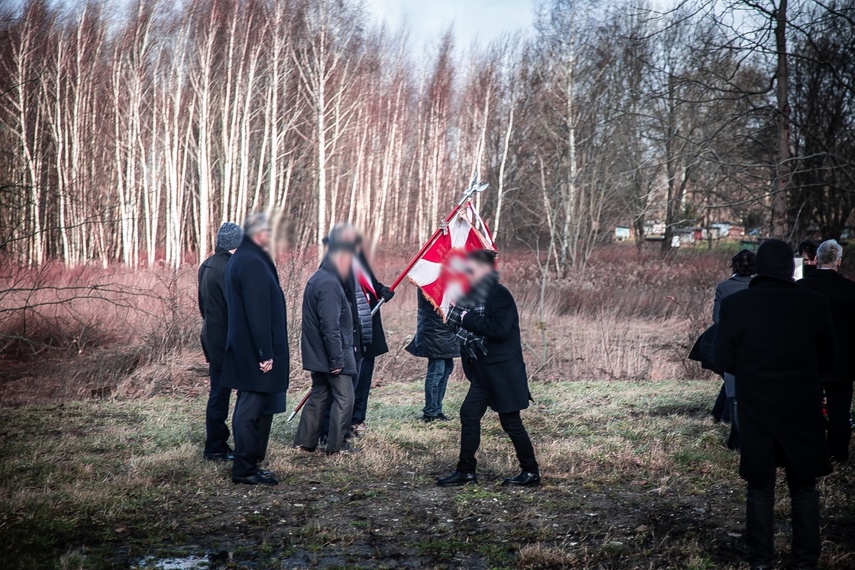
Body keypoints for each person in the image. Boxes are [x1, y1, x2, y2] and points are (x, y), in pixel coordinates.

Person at [713, 239, 836, 570]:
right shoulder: (815, 303)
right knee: (804, 487)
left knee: (759, 487)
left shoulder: (737, 305)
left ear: (760, 267)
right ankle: (806, 561)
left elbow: (722, 356)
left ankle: (761, 562)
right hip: (802, 405)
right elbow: (829, 358)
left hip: (756, 405)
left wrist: (752, 371)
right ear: (790, 268)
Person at [438, 249, 539, 487]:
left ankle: (531, 472)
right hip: (484, 371)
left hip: (503, 372)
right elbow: (457, 322)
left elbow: (499, 329)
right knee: (469, 415)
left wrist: (464, 317)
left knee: (511, 422)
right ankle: (466, 471)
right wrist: (459, 314)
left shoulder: (499, 294)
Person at [220, 214, 289, 486]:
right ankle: (245, 469)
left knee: (249, 408)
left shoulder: (244, 258)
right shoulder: (251, 261)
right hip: (255, 352)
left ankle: (247, 465)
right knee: (249, 411)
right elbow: (257, 311)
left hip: (246, 349)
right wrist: (265, 354)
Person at [294, 224, 359, 454]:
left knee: (319, 395)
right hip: (331, 355)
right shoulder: (330, 284)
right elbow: (329, 326)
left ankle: (305, 442)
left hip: (318, 354)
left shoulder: (319, 278)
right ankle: (337, 446)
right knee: (345, 398)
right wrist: (337, 360)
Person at [798, 239, 855, 464]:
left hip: (808, 360)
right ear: (838, 262)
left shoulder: (801, 288)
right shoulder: (851, 291)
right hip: (843, 361)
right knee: (840, 409)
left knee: (807, 407)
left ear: (816, 260)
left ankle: (809, 450)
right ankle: (838, 453)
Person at [197, 222, 243, 461]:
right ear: (236, 244)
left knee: (219, 392)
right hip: (224, 340)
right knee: (221, 395)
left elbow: (202, 305)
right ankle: (215, 446)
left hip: (211, 335)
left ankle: (217, 444)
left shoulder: (207, 264)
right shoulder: (228, 269)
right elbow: (235, 308)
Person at [711, 249, 756, 449]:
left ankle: (736, 436)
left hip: (734, 345)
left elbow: (717, 318)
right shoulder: (759, 287)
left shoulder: (724, 287)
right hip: (758, 344)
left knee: (733, 389)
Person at [351, 241, 394, 434]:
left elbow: (373, 288)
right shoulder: (339, 271)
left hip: (369, 335)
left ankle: (358, 419)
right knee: (351, 381)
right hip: (352, 336)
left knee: (364, 380)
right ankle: (344, 422)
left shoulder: (363, 269)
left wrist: (383, 291)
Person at [406, 289, 460, 422]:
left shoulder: (448, 278)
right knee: (437, 372)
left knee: (446, 369)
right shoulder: (431, 277)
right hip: (435, 331)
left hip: (447, 330)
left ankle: (437, 409)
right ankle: (430, 412)